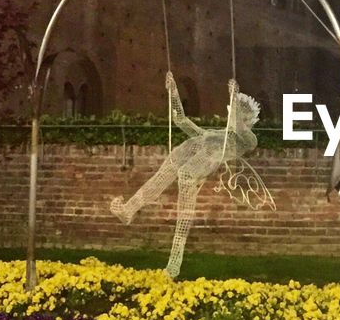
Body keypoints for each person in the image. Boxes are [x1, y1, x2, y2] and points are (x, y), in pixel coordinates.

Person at [110, 71, 267, 277]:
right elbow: (181, 121)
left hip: (200, 165)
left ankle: (174, 264)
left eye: (236, 113)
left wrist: (234, 98)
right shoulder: (216, 133)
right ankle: (128, 211)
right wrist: (173, 91)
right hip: (186, 150)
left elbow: (238, 128)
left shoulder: (247, 139)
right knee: (157, 182)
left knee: (184, 207)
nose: (231, 116)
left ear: (247, 118)